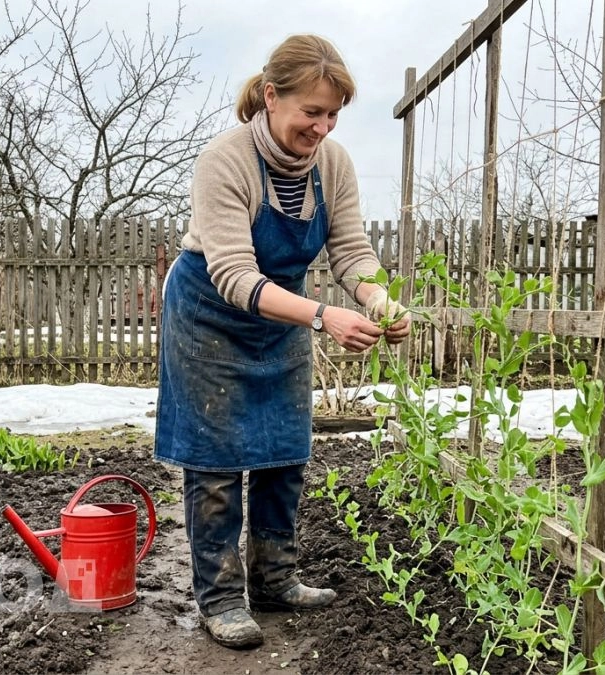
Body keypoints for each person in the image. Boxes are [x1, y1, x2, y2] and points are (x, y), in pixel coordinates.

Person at [154, 34, 410, 650]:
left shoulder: (334, 164)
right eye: (311, 112)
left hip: (284, 317)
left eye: (332, 115)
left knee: (284, 453)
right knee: (215, 464)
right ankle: (220, 599)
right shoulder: (226, 160)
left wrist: (379, 299)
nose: (322, 127)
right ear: (271, 97)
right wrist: (324, 317)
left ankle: (275, 581)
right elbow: (236, 274)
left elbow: (351, 251)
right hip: (211, 316)